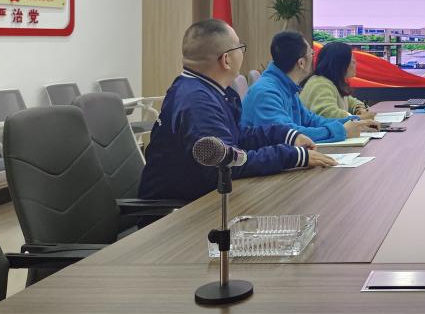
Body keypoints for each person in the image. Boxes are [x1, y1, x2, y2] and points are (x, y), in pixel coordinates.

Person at [139, 20, 336, 203]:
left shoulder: (205, 90)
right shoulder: (197, 101)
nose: (242, 52)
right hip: (179, 213)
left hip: (202, 198)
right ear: (226, 59)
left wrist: (287, 136)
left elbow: (237, 136)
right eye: (240, 48)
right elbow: (227, 162)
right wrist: (292, 156)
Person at [243, 32, 379, 141]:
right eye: (311, 54)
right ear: (301, 63)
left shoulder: (287, 87)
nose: (314, 58)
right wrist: (341, 131)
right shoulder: (266, 92)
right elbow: (289, 135)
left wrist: (354, 121)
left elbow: (311, 120)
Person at [299, 41, 378, 120]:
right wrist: (358, 118)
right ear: (340, 64)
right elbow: (328, 114)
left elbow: (351, 102)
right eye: (352, 61)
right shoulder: (321, 85)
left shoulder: (332, 83)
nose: (355, 64)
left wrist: (359, 109)